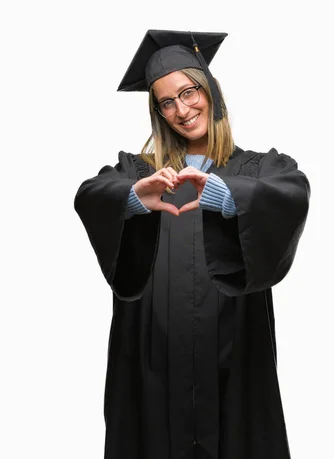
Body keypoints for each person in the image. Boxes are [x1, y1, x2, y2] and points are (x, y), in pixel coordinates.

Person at [74, 29, 310, 459]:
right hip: (152, 367)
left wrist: (224, 194)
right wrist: (133, 198)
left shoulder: (258, 169)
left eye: (189, 92)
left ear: (211, 91)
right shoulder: (137, 171)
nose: (182, 110)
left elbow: (293, 193)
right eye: (167, 101)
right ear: (158, 112)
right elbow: (91, 194)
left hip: (235, 363)